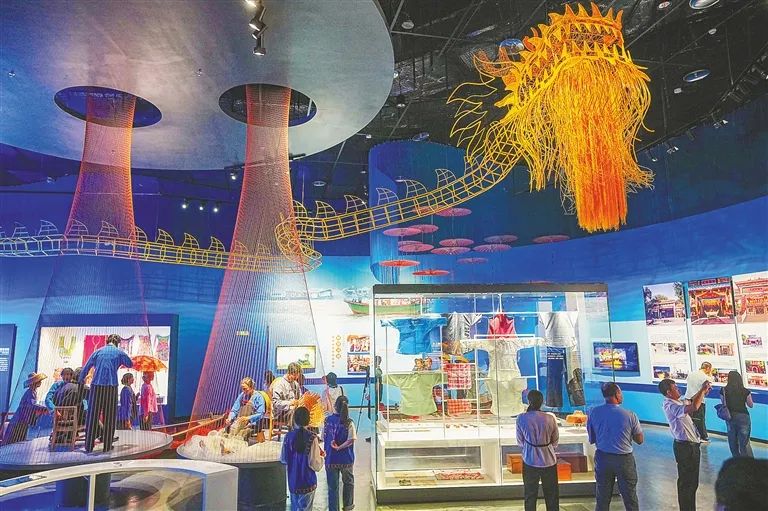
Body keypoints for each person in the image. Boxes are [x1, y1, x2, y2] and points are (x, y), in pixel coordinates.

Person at [587, 383, 644, 511]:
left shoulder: (594, 412)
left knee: (602, 497)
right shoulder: (629, 415)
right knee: (630, 497)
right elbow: (640, 440)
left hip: (602, 458)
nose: (622, 395)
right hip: (624, 460)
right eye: (620, 392)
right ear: (616, 394)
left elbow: (592, 438)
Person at [659, 377, 710, 511]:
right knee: (687, 483)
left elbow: (691, 401)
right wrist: (702, 390)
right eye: (675, 388)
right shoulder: (671, 405)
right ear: (668, 392)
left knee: (692, 483)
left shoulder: (677, 402)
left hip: (691, 447)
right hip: (686, 448)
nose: (678, 390)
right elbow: (694, 406)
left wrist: (702, 392)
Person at [80, 333, 133, 452]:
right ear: (117, 343)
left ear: (107, 341)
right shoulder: (119, 352)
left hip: (96, 386)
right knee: (110, 416)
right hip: (111, 386)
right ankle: (107, 445)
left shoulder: (97, 352)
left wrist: (80, 382)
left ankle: (89, 446)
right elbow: (130, 363)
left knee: (93, 415)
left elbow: (86, 368)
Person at [515, 389, 559, 511]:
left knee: (530, 495)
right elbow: (555, 441)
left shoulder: (521, 418)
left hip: (529, 460)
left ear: (529, 401)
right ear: (542, 402)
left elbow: (520, 442)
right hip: (549, 460)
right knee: (552, 496)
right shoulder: (550, 418)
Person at [280, 406, 324, 511]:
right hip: (308, 482)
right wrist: (322, 457)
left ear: (294, 419)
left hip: (293, 482)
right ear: (308, 420)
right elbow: (315, 465)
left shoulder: (288, 437)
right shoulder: (312, 438)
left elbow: (283, 459)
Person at [323, 396, 356, 511]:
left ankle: (334, 509)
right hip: (346, 458)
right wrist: (340, 447)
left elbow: (323, 436)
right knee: (348, 483)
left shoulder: (327, 420)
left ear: (335, 406)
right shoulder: (349, 422)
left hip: (331, 458)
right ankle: (348, 506)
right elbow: (351, 439)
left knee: (332, 487)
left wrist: (334, 448)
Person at [2, 372, 47, 445]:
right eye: (39, 381)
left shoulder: (32, 392)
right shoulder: (30, 392)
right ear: (34, 382)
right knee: (14, 440)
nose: (40, 382)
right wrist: (44, 408)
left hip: (23, 419)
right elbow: (32, 405)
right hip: (20, 419)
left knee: (19, 438)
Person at [720, 370, 754, 458]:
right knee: (744, 442)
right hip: (743, 417)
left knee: (733, 441)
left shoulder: (723, 390)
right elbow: (750, 405)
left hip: (730, 417)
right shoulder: (745, 391)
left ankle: (736, 461)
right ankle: (748, 462)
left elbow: (723, 403)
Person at [226, 376, 267, 441]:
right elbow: (234, 410)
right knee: (226, 431)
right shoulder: (242, 395)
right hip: (241, 423)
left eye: (245, 389)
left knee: (241, 435)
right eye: (242, 389)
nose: (244, 391)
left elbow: (261, 414)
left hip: (254, 424)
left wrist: (248, 418)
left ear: (251, 387)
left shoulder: (258, 397)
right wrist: (230, 418)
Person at [684, 362, 713, 442]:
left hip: (688, 399)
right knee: (700, 419)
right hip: (699, 400)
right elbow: (706, 392)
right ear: (708, 368)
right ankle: (703, 437)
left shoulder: (691, 374)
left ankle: (692, 435)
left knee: (689, 419)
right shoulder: (706, 377)